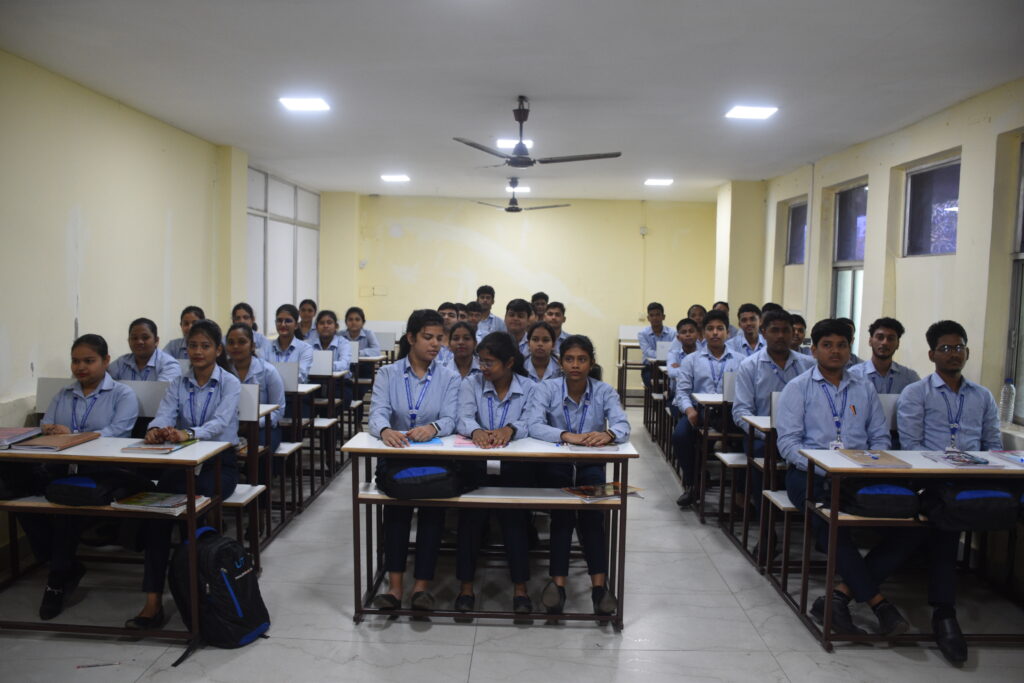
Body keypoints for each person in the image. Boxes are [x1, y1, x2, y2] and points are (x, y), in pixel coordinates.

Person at [775, 319, 908, 641]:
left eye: (842, 345)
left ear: (850, 349)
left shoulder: (864, 387)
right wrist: (825, 467)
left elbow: (879, 437)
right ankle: (879, 603)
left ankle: (837, 598)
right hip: (809, 473)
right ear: (814, 350)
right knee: (828, 520)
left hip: (858, 473)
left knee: (911, 521)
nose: (835, 351)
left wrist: (867, 465)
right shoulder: (798, 388)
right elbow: (789, 444)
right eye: (827, 345)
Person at [895, 319, 1003, 665]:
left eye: (959, 347)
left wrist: (981, 467)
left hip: (974, 478)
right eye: (945, 348)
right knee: (947, 520)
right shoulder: (917, 393)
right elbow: (911, 447)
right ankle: (944, 612)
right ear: (932, 355)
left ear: (967, 352)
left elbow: (994, 445)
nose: (953, 353)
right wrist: (945, 466)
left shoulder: (982, 396)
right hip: (932, 478)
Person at [128, 320, 240, 629]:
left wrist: (187, 433)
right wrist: (155, 430)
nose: (198, 351)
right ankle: (152, 600)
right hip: (183, 462)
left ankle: (199, 593)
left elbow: (220, 423)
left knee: (194, 511)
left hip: (219, 464)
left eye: (205, 346)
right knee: (157, 514)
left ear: (218, 350)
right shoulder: (179, 383)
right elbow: (165, 413)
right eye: (193, 345)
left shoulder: (229, 383)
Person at [25, 334, 138, 619]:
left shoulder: (122, 394)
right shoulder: (64, 394)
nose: (81, 367)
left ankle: (56, 580)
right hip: (62, 466)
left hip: (106, 469)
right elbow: (46, 423)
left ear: (106, 361)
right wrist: (50, 430)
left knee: (68, 503)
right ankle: (63, 564)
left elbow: (118, 432)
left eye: (89, 361)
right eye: (75, 361)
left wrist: (72, 435)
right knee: (23, 502)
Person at [525, 334, 630, 616]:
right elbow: (533, 425)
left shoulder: (604, 391)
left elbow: (622, 424)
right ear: (561, 362)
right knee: (562, 515)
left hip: (590, 461)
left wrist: (609, 434)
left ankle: (599, 588)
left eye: (582, 359)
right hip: (557, 462)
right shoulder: (546, 389)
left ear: (591, 363)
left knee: (593, 515)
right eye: (569, 359)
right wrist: (565, 435)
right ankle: (557, 585)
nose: (575, 365)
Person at [368, 310, 461, 611]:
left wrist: (432, 427)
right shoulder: (388, 374)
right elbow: (377, 412)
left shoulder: (448, 377)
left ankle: (422, 587)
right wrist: (385, 430)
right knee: (397, 512)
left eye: (439, 338)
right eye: (428, 337)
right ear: (410, 338)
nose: (435, 344)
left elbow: (451, 418)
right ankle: (395, 588)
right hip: (398, 455)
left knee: (432, 513)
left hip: (434, 456)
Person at [455, 332, 536, 613]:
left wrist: (510, 429)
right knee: (470, 520)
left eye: (489, 362)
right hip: (477, 462)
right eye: (481, 361)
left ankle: (520, 589)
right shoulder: (471, 383)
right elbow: (463, 417)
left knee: (515, 520)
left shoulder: (529, 387)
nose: (483, 367)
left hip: (514, 464)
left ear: (509, 362)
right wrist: (475, 430)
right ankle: (466, 588)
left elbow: (531, 420)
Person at [731, 310, 814, 514]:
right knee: (761, 454)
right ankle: (765, 518)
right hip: (764, 435)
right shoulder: (750, 366)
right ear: (764, 333)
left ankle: (809, 513)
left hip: (803, 433)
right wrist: (765, 432)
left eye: (786, 331)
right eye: (775, 330)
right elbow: (741, 411)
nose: (780, 336)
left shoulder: (808, 365)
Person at [672, 309, 742, 508]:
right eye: (710, 329)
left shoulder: (740, 360)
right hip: (700, 411)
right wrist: (689, 411)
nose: (715, 333)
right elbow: (682, 391)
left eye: (720, 328)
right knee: (680, 436)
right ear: (703, 333)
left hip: (730, 412)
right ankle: (692, 484)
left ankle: (741, 493)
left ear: (728, 332)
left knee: (746, 440)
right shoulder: (691, 360)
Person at [225, 322, 285, 458]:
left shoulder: (268, 371)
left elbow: (278, 410)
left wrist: (254, 423)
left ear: (252, 346)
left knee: (260, 452)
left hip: (262, 427)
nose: (235, 346)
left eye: (242, 342)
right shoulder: (222, 371)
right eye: (231, 342)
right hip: (230, 426)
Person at [850, 317, 920, 396]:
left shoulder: (910, 378)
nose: (885, 342)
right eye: (880, 337)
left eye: (891, 339)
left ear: (898, 344)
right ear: (870, 341)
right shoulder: (853, 375)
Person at [108, 318, 181, 382]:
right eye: (134, 338)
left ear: (156, 340)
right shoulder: (121, 363)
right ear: (128, 341)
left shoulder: (169, 365)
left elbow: (162, 391)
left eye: (145, 338)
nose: (139, 342)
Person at [269, 303, 313, 383]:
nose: (283, 325)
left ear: (296, 325)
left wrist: (271, 379)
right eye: (279, 321)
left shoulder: (305, 349)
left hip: (294, 390)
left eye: (288, 321)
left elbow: (300, 377)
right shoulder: (266, 347)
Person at [638, 301, 675, 387]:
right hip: (650, 367)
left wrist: (666, 356)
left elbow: (674, 351)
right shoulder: (642, 334)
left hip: (668, 366)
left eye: (658, 315)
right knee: (652, 384)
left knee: (674, 383)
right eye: (651, 315)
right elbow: (647, 352)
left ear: (663, 317)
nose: (655, 318)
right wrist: (666, 355)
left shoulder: (672, 333)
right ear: (648, 318)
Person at [666, 318, 701, 385]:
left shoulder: (703, 352)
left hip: (699, 389)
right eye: (683, 332)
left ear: (697, 335)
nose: (688, 334)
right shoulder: (673, 354)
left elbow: (706, 372)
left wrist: (682, 366)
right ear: (678, 337)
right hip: (677, 389)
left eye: (691, 331)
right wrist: (695, 369)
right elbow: (672, 373)